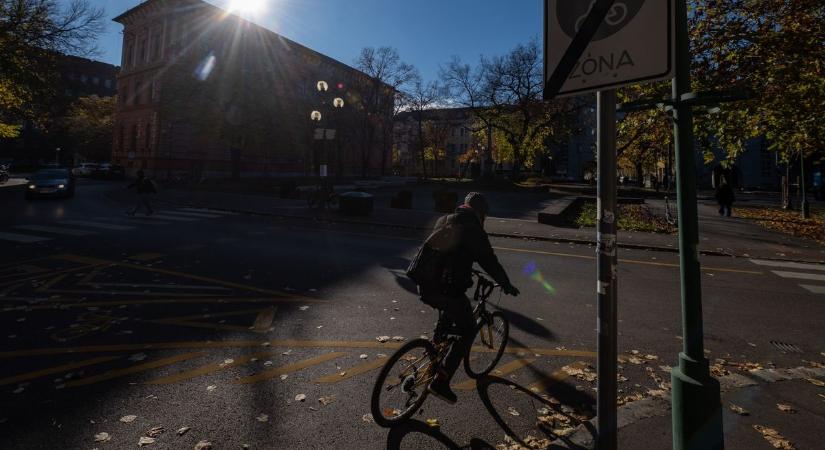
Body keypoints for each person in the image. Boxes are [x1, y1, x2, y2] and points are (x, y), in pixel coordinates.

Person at [408, 192, 519, 404]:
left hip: (426, 282)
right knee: (467, 329)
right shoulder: (473, 229)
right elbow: (489, 261)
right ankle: (440, 382)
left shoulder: (445, 219)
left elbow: (446, 253)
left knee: (448, 318)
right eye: (484, 214)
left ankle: (435, 357)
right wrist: (506, 284)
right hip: (447, 288)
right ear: (480, 212)